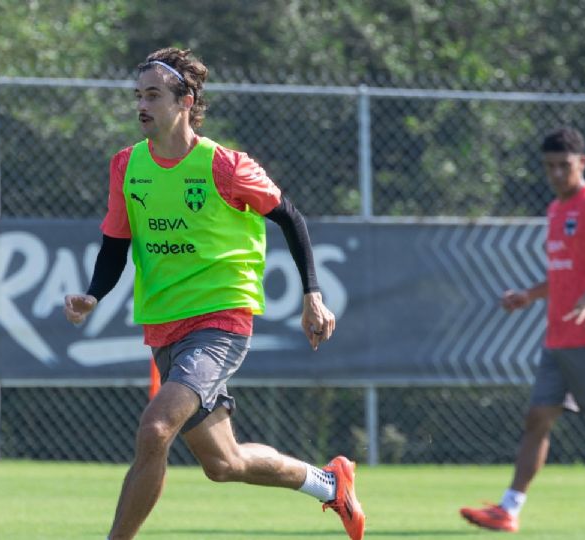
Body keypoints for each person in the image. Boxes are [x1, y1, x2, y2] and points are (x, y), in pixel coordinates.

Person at [63, 47, 365, 540]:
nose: (142, 104)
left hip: (220, 323)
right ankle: (329, 484)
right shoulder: (126, 165)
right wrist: (93, 294)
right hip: (165, 326)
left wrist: (313, 295)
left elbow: (290, 216)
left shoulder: (224, 165)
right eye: (138, 95)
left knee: (156, 429)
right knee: (224, 463)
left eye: (153, 95)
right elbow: (116, 245)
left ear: (186, 101)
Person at [460, 127, 585, 534]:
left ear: (581, 163)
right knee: (537, 417)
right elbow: (563, 272)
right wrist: (529, 296)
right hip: (559, 337)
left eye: (564, 166)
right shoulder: (556, 209)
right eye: (549, 166)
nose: (556, 173)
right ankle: (508, 508)